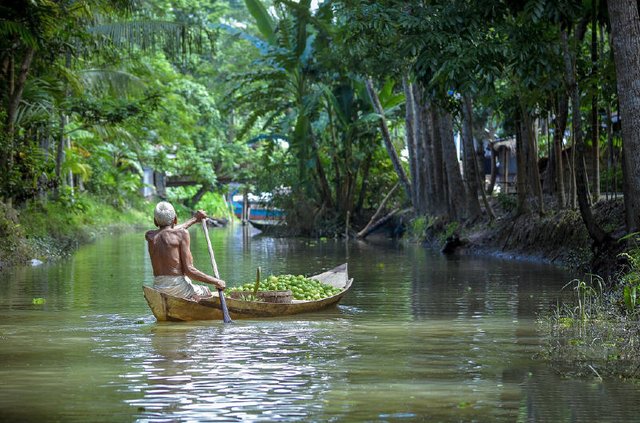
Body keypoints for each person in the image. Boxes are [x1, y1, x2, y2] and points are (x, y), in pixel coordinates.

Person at [145, 201, 226, 301]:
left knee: (187, 280)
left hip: (158, 287)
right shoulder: (182, 234)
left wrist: (195, 219)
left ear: (155, 221)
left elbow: (167, 232)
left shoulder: (150, 236)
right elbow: (189, 271)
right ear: (175, 219)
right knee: (206, 291)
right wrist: (216, 281)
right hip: (177, 288)